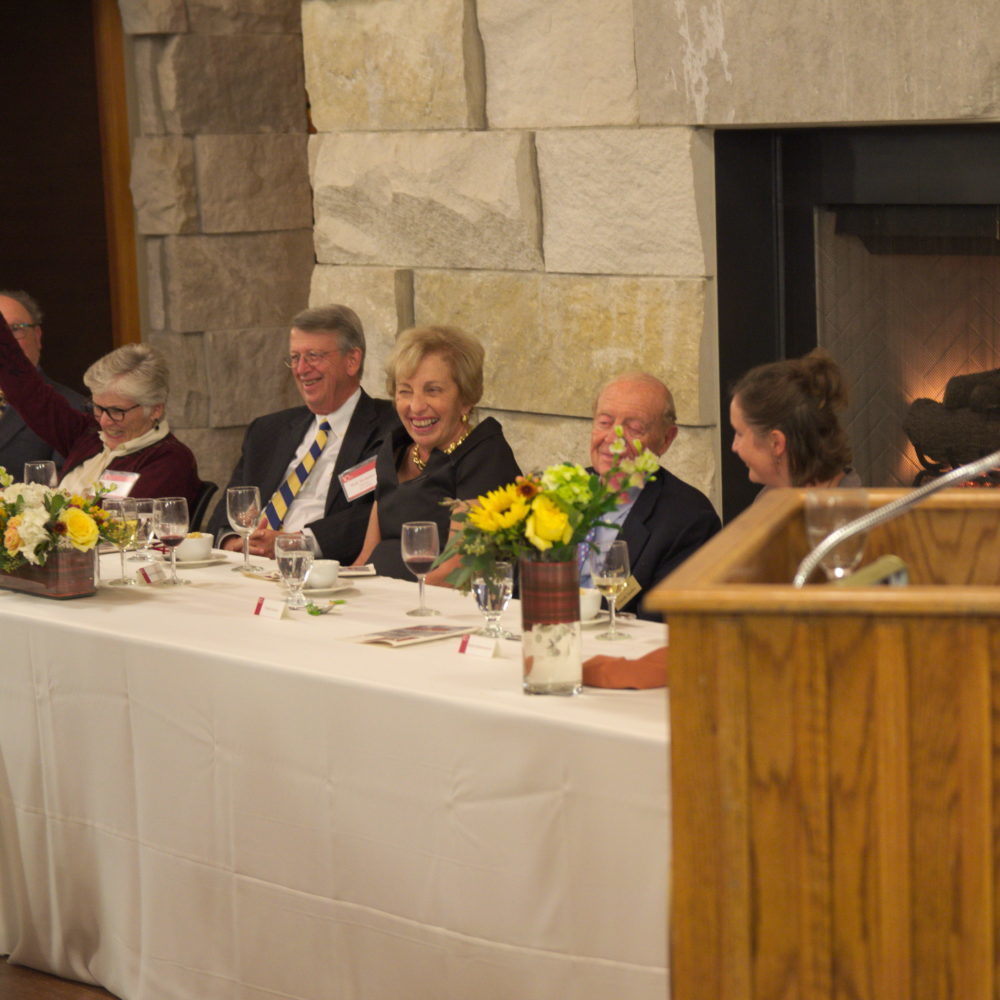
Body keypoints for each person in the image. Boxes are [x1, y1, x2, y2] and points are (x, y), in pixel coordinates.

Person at [207, 304, 399, 562]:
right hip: (248, 567)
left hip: (323, 572)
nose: (301, 369)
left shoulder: (391, 427)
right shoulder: (267, 431)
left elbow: (381, 512)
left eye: (314, 356)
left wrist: (295, 543)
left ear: (352, 360)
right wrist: (233, 542)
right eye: (295, 357)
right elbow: (227, 512)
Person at [354, 325, 520, 582]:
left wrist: (389, 604)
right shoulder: (394, 448)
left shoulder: (484, 456)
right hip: (378, 604)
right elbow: (365, 559)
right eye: (405, 391)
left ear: (465, 398)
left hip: (435, 612)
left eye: (433, 390)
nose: (416, 406)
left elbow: (457, 572)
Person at [0, 311, 201, 505]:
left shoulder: (169, 461)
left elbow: (122, 529)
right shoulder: (89, 437)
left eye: (117, 411)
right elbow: (27, 391)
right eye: (98, 407)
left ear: (155, 409)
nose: (104, 421)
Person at [585, 372, 721, 620]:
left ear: (666, 439)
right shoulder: (559, 491)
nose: (613, 439)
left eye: (634, 428)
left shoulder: (689, 519)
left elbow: (665, 624)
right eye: (604, 422)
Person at [729, 347, 860, 489]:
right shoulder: (770, 498)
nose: (734, 447)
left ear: (776, 443)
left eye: (739, 433)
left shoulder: (856, 510)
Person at [0, 290, 86, 475]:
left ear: (37, 336)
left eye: (15, 329)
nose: (4, 343)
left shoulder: (72, 408)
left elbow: (64, 492)